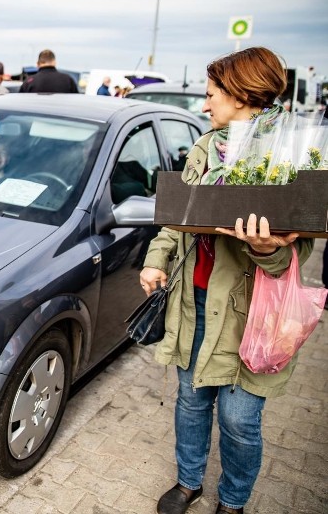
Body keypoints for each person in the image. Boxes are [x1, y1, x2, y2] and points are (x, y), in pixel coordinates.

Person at [139, 47, 314, 514]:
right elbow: (176, 222)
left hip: (251, 315)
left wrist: (264, 249)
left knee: (239, 420)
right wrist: (156, 260)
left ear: (239, 95)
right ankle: (188, 482)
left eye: (212, 93)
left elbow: (297, 256)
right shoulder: (204, 149)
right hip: (192, 301)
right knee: (191, 401)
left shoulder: (290, 160)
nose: (204, 103)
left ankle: (233, 502)